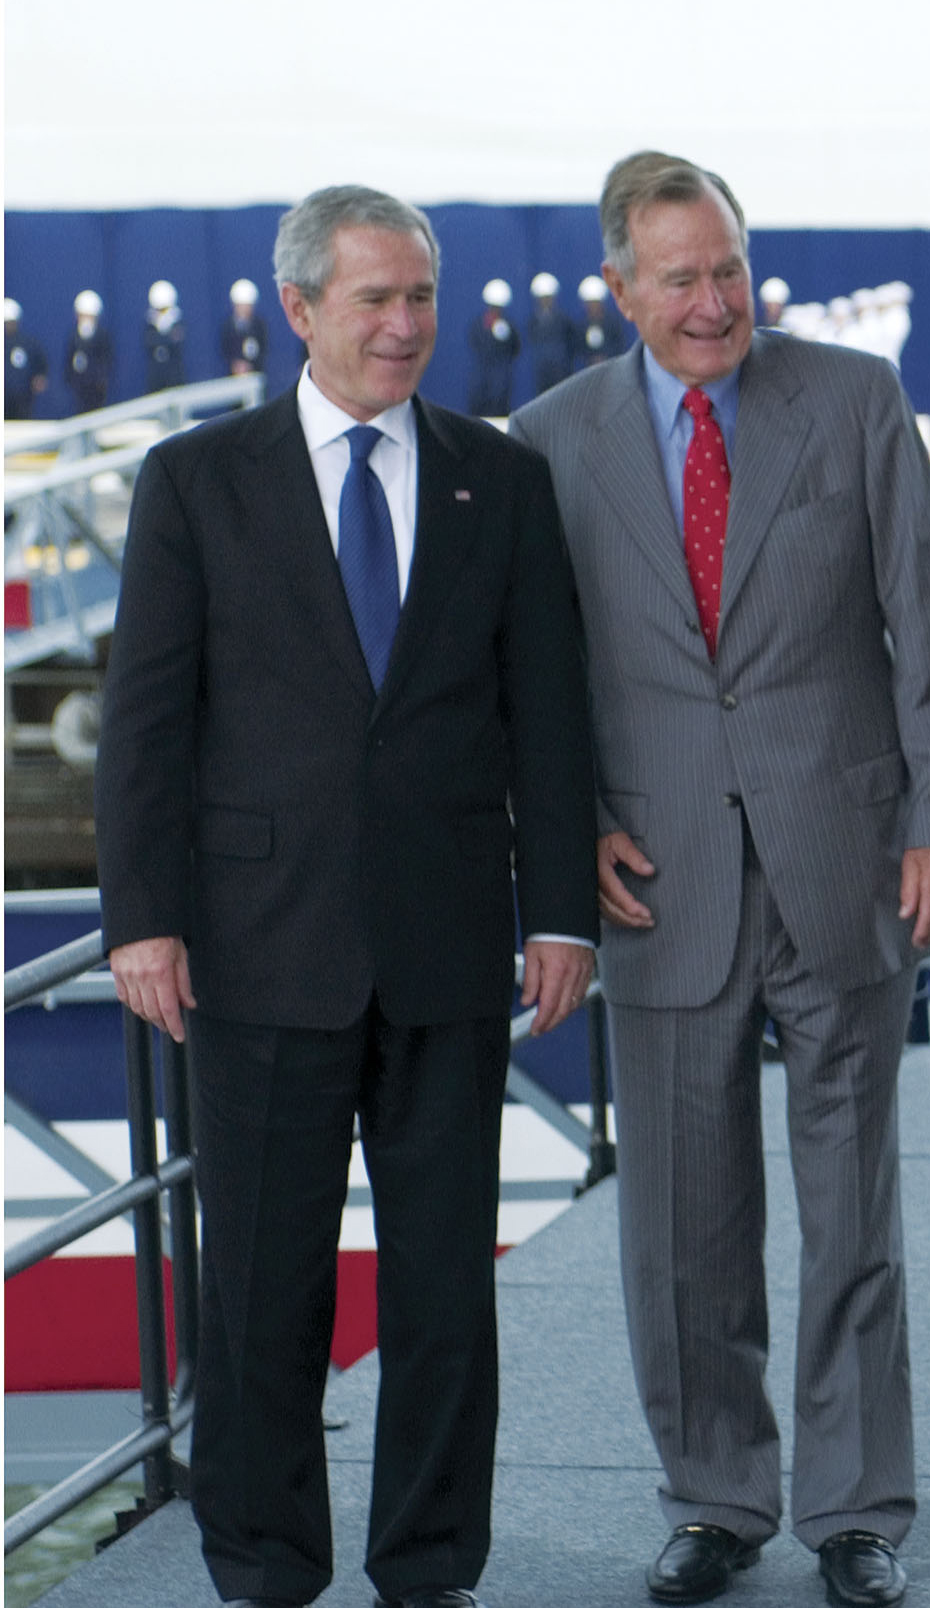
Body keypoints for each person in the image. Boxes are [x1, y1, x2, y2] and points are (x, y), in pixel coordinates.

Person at [94, 184, 599, 1608]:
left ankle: (430, 1563)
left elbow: (546, 714)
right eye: (373, 299)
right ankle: (263, 1563)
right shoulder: (198, 480)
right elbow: (146, 718)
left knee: (446, 1294)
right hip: (257, 953)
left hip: (449, 952)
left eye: (420, 297)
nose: (403, 325)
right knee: (260, 1292)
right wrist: (143, 915)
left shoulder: (497, 480)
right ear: (300, 309)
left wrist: (558, 911)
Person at [509, 150, 930, 1608]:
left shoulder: (851, 403)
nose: (713, 302)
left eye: (728, 269)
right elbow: (529, 677)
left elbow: (928, 626)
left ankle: (856, 1514)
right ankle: (715, 1497)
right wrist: (567, 827)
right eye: (679, 278)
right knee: (677, 1222)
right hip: (654, 875)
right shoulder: (544, 441)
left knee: (853, 1211)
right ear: (619, 287)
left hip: (845, 856)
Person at [466, 278, 519, 415]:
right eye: (493, 306)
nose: (495, 310)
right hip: (482, 376)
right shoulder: (479, 324)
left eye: (498, 307)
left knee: (499, 405)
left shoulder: (509, 326)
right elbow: (474, 342)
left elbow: (515, 347)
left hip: (501, 377)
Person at [525, 271, 579, 395]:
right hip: (542, 370)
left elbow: (571, 341)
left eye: (548, 298)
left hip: (560, 370)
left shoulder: (563, 320)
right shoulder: (533, 321)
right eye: (542, 298)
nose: (545, 301)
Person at [64, 290, 114, 413]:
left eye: (90, 316)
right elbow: (69, 359)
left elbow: (107, 359)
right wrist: (70, 378)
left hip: (97, 386)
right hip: (80, 385)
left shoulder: (102, 336)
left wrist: (102, 379)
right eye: (83, 315)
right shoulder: (74, 337)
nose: (86, 320)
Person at [5, 298, 50, 418]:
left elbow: (41, 362)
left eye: (11, 322)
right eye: (5, 323)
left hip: (23, 396)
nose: (9, 326)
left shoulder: (27, 343)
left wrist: (40, 376)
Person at [143, 279, 188, 391]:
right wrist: (167, 337)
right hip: (156, 377)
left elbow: (177, 342)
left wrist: (162, 338)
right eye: (159, 309)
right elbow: (149, 342)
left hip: (175, 376)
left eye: (165, 309)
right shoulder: (149, 323)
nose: (162, 312)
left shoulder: (177, 321)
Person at [222, 277, 270, 379]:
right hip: (233, 379)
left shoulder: (259, 326)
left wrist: (251, 366)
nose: (244, 310)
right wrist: (236, 365)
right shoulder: (227, 327)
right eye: (241, 306)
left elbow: (263, 349)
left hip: (256, 376)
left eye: (247, 306)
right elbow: (224, 351)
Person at [575, 273, 624, 365]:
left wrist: (606, 356)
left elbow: (619, 345)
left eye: (596, 303)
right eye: (590, 303)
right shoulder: (581, 325)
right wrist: (590, 358)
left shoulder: (612, 323)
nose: (593, 306)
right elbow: (578, 347)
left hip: (611, 367)